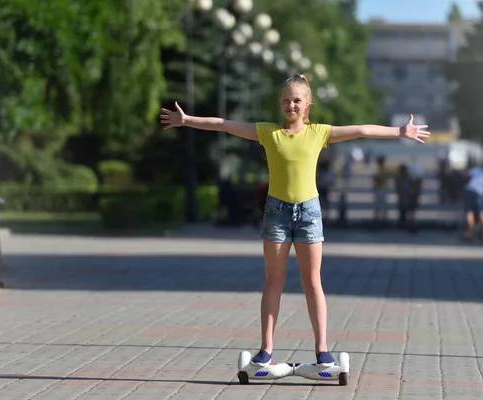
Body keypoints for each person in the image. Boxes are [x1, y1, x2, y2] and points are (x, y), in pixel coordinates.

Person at [159, 74, 430, 367]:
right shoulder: (267, 132)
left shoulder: (320, 133)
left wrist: (400, 132)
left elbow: (362, 130)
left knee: (312, 282)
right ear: (280, 103)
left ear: (308, 103)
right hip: (276, 213)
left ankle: (322, 350)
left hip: (309, 214)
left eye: (297, 100)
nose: (291, 105)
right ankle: (266, 349)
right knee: (273, 281)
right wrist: (187, 120)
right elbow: (224, 124)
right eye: (286, 100)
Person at [463, 166, 483, 243]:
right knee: (482, 213)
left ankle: (470, 234)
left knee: (469, 212)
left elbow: (466, 176)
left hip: (469, 190)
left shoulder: (476, 170)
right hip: (479, 193)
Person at [373, 156, 390, 225]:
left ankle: (381, 217)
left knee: (380, 203)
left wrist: (376, 178)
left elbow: (381, 178)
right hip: (381, 187)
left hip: (381, 187)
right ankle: (381, 217)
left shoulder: (382, 169)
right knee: (380, 203)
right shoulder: (381, 169)